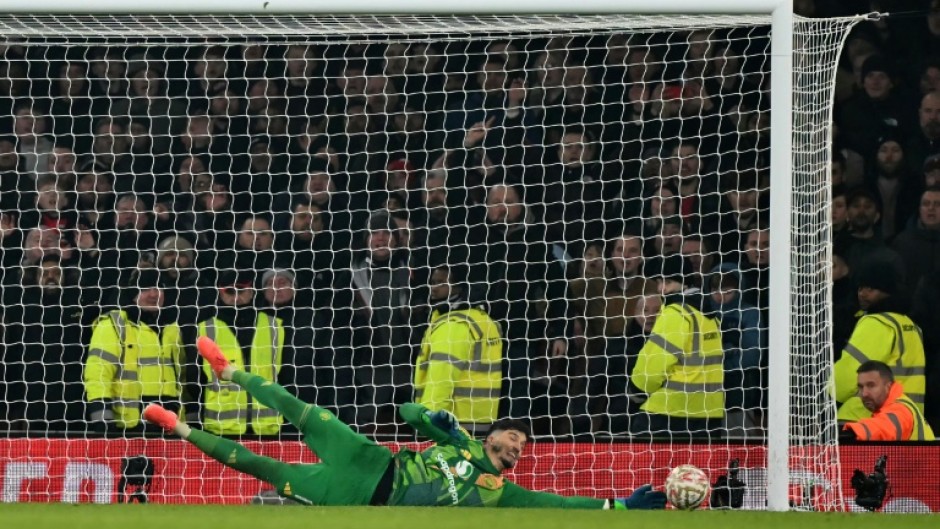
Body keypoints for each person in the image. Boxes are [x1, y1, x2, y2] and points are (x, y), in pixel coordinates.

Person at [142, 337, 666, 509]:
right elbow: (406, 413)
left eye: (522, 447)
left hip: (356, 500)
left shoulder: (500, 493)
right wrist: (433, 416)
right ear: (492, 435)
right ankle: (229, 370)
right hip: (370, 458)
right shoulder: (459, 438)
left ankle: (178, 427)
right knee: (300, 409)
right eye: (513, 437)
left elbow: (560, 505)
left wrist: (620, 505)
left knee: (262, 466)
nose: (517, 448)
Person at [630, 254, 724, 438]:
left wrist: (636, 391)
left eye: (669, 282)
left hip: (669, 411)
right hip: (709, 413)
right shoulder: (709, 316)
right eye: (659, 281)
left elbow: (654, 363)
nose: (662, 288)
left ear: (684, 283)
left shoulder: (675, 313)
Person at [84, 268, 184, 431]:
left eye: (159, 287)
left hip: (170, 426)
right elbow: (98, 374)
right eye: (145, 288)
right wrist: (102, 419)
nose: (154, 294)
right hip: (129, 426)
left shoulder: (172, 330)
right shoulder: (113, 325)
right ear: (132, 294)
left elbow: (184, 379)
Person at [833, 260, 926, 421]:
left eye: (871, 288)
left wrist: (825, 392)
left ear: (888, 291)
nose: (862, 294)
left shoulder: (877, 323)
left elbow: (848, 376)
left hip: (865, 418)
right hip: (904, 419)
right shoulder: (908, 325)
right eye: (860, 287)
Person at [414, 264, 502, 435]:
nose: (434, 288)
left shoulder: (453, 324)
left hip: (450, 422)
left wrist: (428, 421)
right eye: (432, 282)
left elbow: (441, 379)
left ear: (459, 286)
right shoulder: (481, 319)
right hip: (481, 419)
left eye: (441, 282)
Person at [841, 361, 934, 441]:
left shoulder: (901, 409)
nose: (864, 393)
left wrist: (848, 433)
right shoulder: (893, 406)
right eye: (861, 387)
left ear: (888, 387)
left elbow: (883, 428)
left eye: (871, 385)